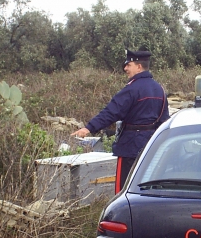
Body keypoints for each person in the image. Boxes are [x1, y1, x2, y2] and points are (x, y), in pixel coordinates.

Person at [71, 49, 169, 193]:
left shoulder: (132, 89)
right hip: (151, 147)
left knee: (124, 189)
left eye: (128, 65)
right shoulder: (159, 89)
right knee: (147, 186)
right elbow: (164, 120)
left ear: (139, 66)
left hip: (129, 147)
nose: (125, 68)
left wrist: (89, 128)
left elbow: (111, 112)